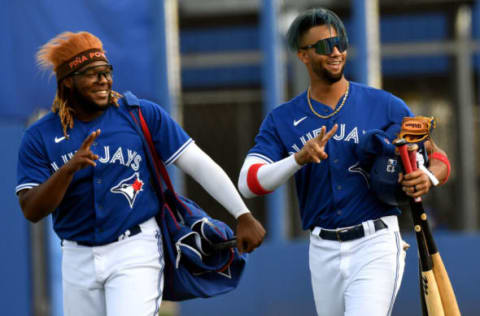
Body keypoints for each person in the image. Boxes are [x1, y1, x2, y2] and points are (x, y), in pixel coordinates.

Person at [16, 31, 265, 316]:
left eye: (106, 71)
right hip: (76, 256)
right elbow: (31, 209)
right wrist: (68, 170)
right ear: (68, 82)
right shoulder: (40, 135)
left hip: (134, 248)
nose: (103, 80)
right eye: (91, 74)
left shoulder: (140, 114)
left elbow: (198, 163)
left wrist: (241, 214)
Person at [238, 8, 450, 316]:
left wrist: (428, 178)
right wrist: (297, 159)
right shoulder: (282, 119)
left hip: (375, 241)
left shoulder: (385, 105)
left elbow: (438, 157)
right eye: (325, 46)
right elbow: (249, 183)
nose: (336, 52)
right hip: (322, 248)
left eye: (341, 43)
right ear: (303, 56)